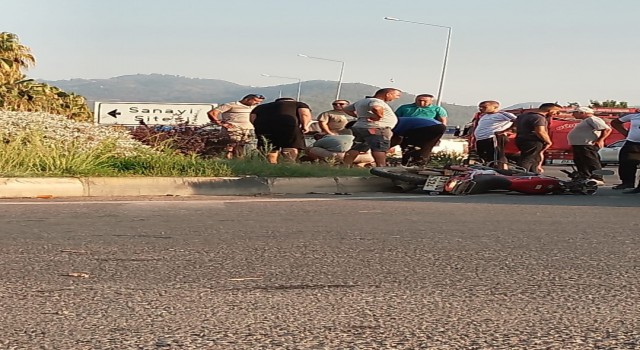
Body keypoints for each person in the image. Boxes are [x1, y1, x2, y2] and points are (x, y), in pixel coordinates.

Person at [341, 88, 402, 167]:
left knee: (357, 147)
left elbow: (346, 108)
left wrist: (359, 116)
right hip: (377, 128)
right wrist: (378, 117)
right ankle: (381, 167)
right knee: (379, 148)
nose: (397, 98)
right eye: (396, 95)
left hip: (361, 127)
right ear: (388, 94)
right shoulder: (377, 101)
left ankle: (346, 165)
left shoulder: (362, 101)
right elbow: (376, 108)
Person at [250, 97, 312, 164]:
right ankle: (288, 165)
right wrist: (305, 126)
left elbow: (252, 117)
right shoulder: (299, 104)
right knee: (289, 147)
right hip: (288, 127)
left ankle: (271, 165)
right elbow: (304, 114)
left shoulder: (260, 107)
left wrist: (259, 127)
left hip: (264, 128)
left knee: (270, 148)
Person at [207, 94, 265, 158]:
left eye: (260, 102)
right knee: (230, 147)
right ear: (247, 99)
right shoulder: (231, 105)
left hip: (248, 129)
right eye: (256, 101)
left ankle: (238, 161)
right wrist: (220, 123)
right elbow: (212, 113)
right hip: (233, 129)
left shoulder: (255, 107)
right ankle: (227, 160)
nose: (258, 103)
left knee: (241, 147)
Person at [566, 106, 611, 185]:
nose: (573, 115)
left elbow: (606, 129)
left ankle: (597, 178)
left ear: (582, 113)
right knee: (581, 162)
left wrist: (600, 140)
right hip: (580, 144)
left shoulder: (592, 119)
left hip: (587, 144)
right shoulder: (585, 121)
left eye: (574, 113)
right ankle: (585, 176)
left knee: (590, 161)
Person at [514, 103, 560, 172]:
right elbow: (540, 131)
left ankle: (533, 174)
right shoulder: (539, 117)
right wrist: (548, 141)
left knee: (534, 159)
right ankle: (520, 175)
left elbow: (514, 126)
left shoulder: (522, 116)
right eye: (557, 111)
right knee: (528, 159)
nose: (557, 114)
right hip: (533, 141)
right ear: (550, 110)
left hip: (521, 138)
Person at [305, 121, 375, 166]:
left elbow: (314, 146)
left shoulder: (327, 138)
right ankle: (361, 164)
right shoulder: (359, 137)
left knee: (309, 149)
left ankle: (322, 163)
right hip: (367, 156)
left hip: (341, 156)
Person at [472, 101, 517, 168]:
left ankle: (503, 172)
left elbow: (517, 121)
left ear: (495, 107)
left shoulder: (502, 114)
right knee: (486, 157)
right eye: (480, 107)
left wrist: (507, 131)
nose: (481, 108)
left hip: (493, 138)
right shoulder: (484, 116)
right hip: (481, 139)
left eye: (484, 107)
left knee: (497, 157)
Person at [610, 110, 640, 193]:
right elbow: (615, 122)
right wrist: (626, 133)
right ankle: (627, 183)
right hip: (633, 143)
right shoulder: (634, 116)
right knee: (626, 163)